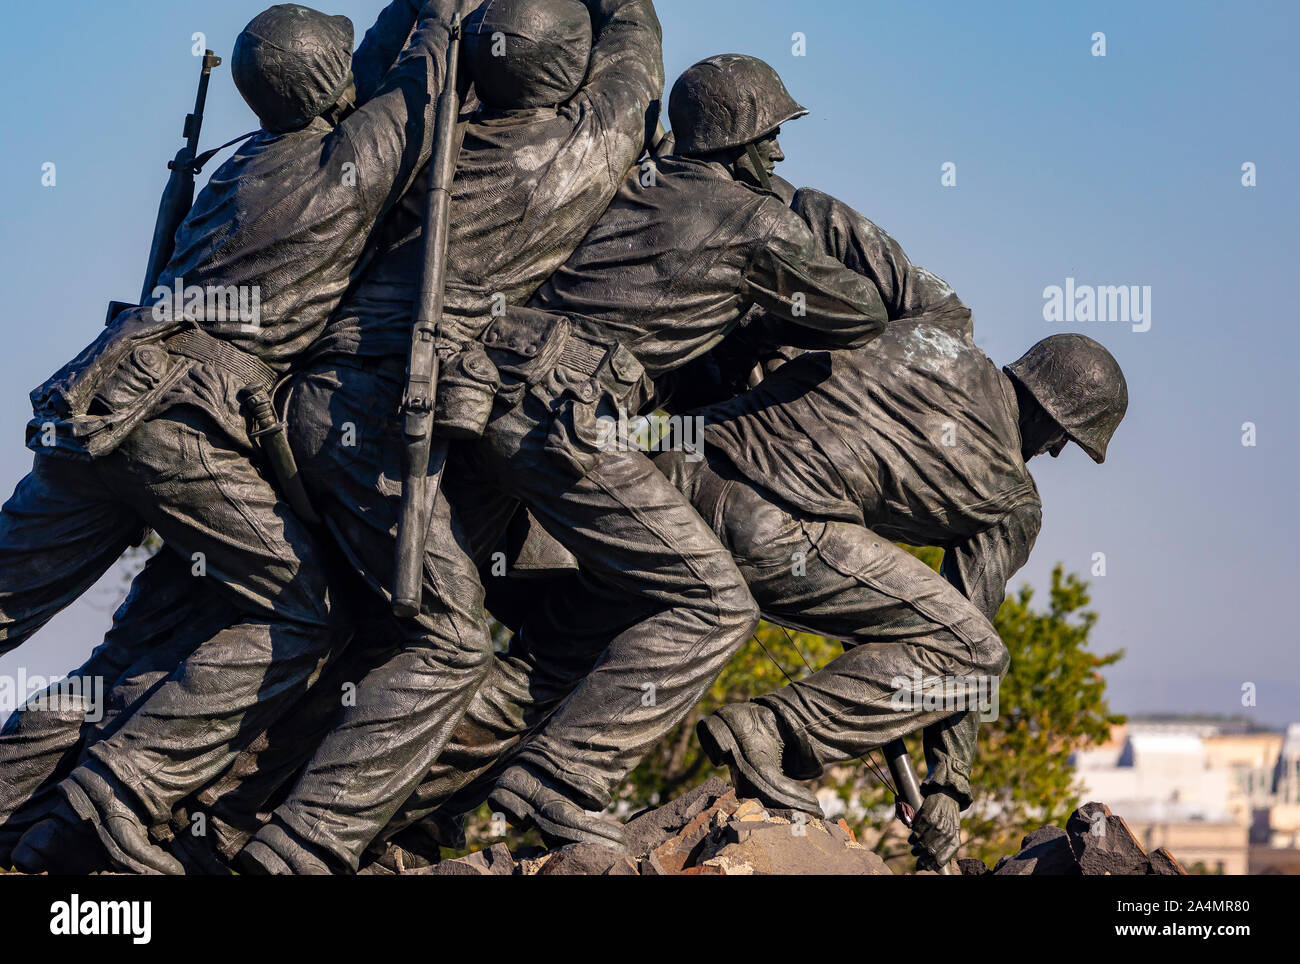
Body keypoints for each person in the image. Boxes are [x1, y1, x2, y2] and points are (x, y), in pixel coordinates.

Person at [0, 0, 466, 874]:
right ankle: (121, 790)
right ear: (332, 85)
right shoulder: (348, 163)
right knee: (302, 613)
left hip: (95, 393)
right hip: (180, 418)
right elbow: (423, 78)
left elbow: (369, 69)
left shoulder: (240, 162)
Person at [237, 0, 667, 874]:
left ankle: (246, 810)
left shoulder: (413, 137)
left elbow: (398, 63)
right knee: (450, 641)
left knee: (360, 626)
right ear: (565, 77)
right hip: (378, 416)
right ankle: (299, 844)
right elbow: (638, 55)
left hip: (308, 401)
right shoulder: (576, 156)